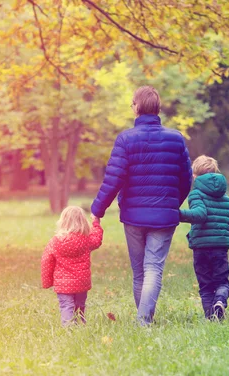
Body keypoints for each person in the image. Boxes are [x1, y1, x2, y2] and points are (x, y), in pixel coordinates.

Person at [91, 86, 192, 325]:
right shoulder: (175, 138)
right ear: (157, 108)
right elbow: (186, 179)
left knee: (140, 272)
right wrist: (170, 203)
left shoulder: (126, 139)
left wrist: (97, 210)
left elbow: (113, 179)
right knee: (153, 268)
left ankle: (143, 321)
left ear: (136, 107)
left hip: (133, 217)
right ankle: (144, 320)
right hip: (164, 217)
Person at [179, 155, 229, 320]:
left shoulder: (196, 194)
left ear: (195, 176)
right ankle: (220, 302)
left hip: (201, 247)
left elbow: (200, 215)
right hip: (220, 247)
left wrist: (177, 214)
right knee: (222, 283)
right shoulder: (226, 198)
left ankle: (211, 318)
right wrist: (226, 242)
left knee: (205, 286)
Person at [41, 206, 104, 326]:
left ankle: (68, 328)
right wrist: (96, 223)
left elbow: (46, 261)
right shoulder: (86, 240)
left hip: (63, 283)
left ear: (63, 222)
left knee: (66, 305)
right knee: (80, 305)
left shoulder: (55, 242)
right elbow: (97, 239)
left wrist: (47, 281)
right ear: (83, 222)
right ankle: (80, 324)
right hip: (82, 282)